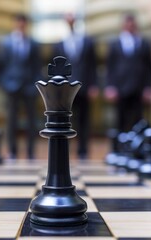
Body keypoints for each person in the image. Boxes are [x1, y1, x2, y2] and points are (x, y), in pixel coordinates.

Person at [52, 14, 98, 159]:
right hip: (65, 89)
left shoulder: (87, 41)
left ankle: (83, 150)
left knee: (84, 120)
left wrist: (93, 85)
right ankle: (65, 149)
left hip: (84, 86)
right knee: (65, 120)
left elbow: (93, 66)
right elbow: (54, 67)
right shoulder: (60, 43)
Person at [0, 14, 41, 159]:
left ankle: (30, 151)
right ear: (15, 23)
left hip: (29, 87)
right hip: (12, 86)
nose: (21, 25)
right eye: (19, 22)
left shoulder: (33, 43)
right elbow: (1, 65)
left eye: (24, 22)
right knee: (12, 121)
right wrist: (5, 84)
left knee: (31, 120)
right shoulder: (6, 43)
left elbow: (37, 67)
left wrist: (36, 85)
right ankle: (12, 150)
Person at [104, 14, 151, 132]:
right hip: (120, 88)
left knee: (139, 119)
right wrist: (110, 86)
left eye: (132, 24)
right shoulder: (114, 44)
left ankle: (137, 146)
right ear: (123, 25)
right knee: (120, 118)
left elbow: (149, 67)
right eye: (127, 23)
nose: (130, 26)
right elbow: (110, 67)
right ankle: (120, 146)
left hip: (139, 88)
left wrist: (149, 87)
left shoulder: (144, 43)